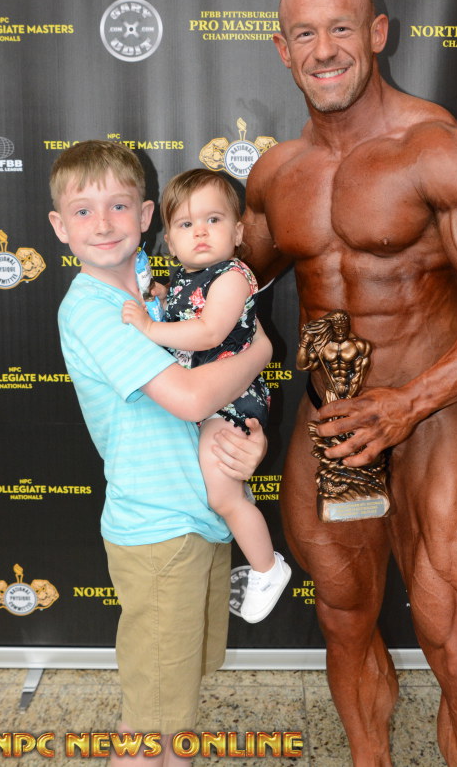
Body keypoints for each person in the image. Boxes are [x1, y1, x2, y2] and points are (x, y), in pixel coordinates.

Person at [242, 0, 457, 767]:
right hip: (332, 429)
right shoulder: (276, 175)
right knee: (344, 621)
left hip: (429, 423)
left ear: (377, 34)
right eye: (305, 34)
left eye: (341, 28)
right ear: (282, 49)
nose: (324, 50)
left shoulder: (443, 150)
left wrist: (410, 403)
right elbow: (227, 283)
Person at [48, 141, 272, 766]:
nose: (103, 223)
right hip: (157, 531)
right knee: (149, 728)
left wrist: (249, 442)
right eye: (83, 211)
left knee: (176, 709)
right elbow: (194, 395)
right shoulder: (92, 309)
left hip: (203, 518)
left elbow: (223, 387)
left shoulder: (163, 288)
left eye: (118, 206)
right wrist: (261, 353)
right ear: (61, 228)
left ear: (147, 216)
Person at [121, 169, 291, 623]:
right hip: (206, 396)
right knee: (221, 488)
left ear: (237, 233)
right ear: (170, 243)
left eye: (213, 220)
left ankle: (267, 568)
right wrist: (157, 297)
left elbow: (210, 331)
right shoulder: (183, 277)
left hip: (231, 399)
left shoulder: (233, 276)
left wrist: (150, 327)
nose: (200, 231)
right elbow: (180, 308)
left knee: (223, 497)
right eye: (186, 224)